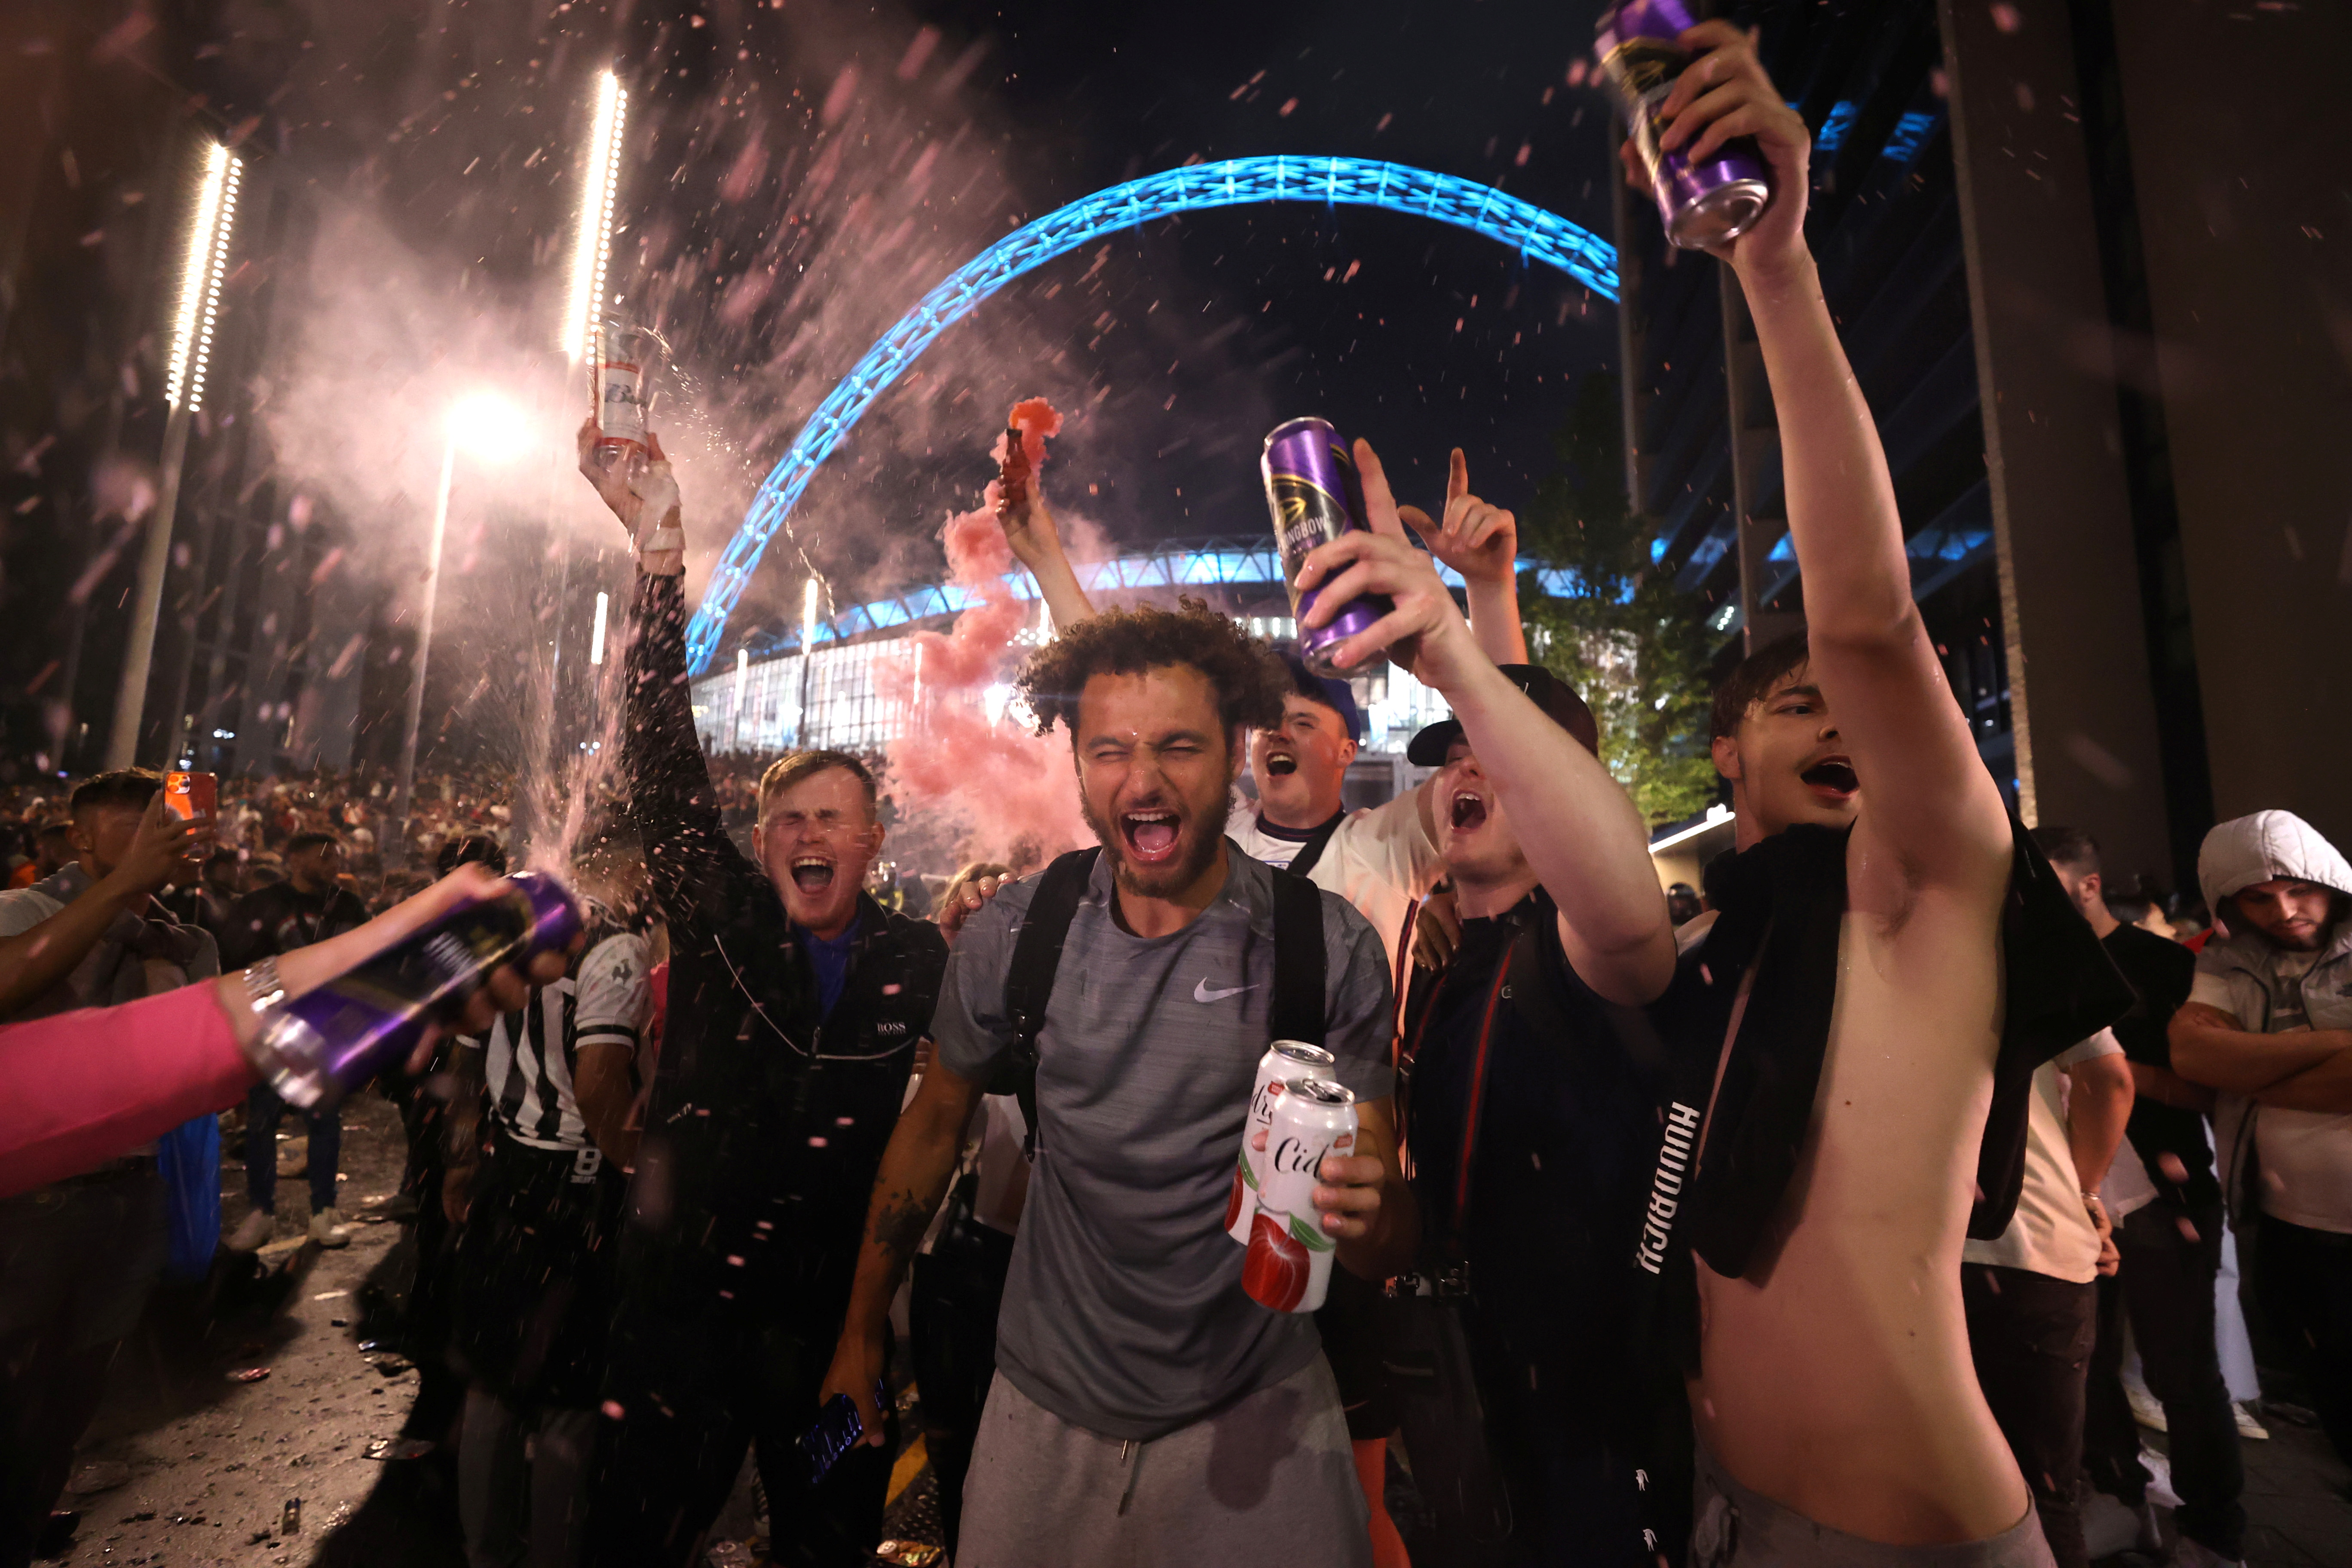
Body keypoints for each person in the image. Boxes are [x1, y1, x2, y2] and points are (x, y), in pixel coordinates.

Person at [1529, 24, 2117, 1560]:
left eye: (1848, 708)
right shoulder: (1725, 945)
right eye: (1793, 706)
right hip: (1722, 1512)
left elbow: (1866, 624)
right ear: (1724, 755)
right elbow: (1590, 877)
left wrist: (1773, 268)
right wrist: (1465, 647)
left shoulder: (1933, 891)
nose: (1837, 714)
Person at [822, 599, 1411, 1567]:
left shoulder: (1326, 945)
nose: (1142, 779)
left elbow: (1388, 1234)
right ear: (1077, 765)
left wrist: (1374, 1212)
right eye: (1109, 751)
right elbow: (933, 1129)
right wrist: (859, 1335)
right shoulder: (1018, 932)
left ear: (1233, 750)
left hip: (1260, 1414)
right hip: (1043, 1417)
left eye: (1178, 746)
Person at [575, 420, 950, 1568]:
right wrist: (659, 557)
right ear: (758, 840)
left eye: (831, 818)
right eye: (786, 819)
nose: (804, 834)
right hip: (679, 1318)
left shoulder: (917, 961)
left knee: (831, 1538)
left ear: (873, 842)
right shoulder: (726, 915)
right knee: (635, 1540)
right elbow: (659, 751)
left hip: (831, 1331)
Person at [1305, 475, 1683, 1564]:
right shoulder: (1437, 955)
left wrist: (1477, 618)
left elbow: (1564, 801)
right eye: (1454, 755)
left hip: (1592, 1421)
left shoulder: (1587, 948)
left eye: (1497, 754)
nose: (1467, 767)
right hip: (1466, 1395)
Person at [0, 773, 212, 1568]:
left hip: (127, 1199)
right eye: (137, 828)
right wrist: (125, 887)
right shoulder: (23, 908)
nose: (167, 840)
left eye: (174, 825)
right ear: (82, 840)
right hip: (26, 1205)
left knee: (65, 1405)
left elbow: (175, 1077)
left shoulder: (185, 937)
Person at [2036, 827, 2249, 1566]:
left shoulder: (2158, 964)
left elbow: (2200, 1086)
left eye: (2044, 883)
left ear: (2087, 885)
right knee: (2084, 1368)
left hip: (2161, 1197)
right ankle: (2122, 1499)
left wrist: (2104, 1066)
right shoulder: (2034, 964)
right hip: (2069, 1196)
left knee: (2182, 1373)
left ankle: (2213, 1529)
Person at [450, 842, 651, 1568]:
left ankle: (485, 1552)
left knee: (494, 1382)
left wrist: (465, 1154)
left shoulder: (509, 923)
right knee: (569, 1395)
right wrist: (629, 1165)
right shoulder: (613, 942)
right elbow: (600, 1075)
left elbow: (465, 1047)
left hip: (510, 1172)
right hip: (575, 1181)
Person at [2170, 811, 2352, 1468]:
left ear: (2330, 879)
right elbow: (2194, 1055)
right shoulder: (2228, 961)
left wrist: (2254, 1067)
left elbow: (2222, 1064)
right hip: (2288, 1225)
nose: (2284, 910)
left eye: (2299, 887)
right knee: (2335, 1391)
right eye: (2258, 896)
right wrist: (2329, 1046)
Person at [1956, 993, 2133, 1568]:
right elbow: (2108, 1080)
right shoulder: (2026, 930)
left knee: (1936, 1482)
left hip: (1909, 1252)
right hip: (2032, 1245)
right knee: (2043, 1490)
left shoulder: (1843, 935)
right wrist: (2083, 1194)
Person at [221, 829, 369, 1250]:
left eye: (336, 856)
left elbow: (365, 960)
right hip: (270, 1030)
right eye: (324, 857)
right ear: (295, 859)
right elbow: (238, 964)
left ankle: (324, 1212)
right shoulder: (261, 904)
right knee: (262, 1124)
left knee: (324, 1122)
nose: (332, 864)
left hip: (325, 1033)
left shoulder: (348, 904)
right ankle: (260, 1212)